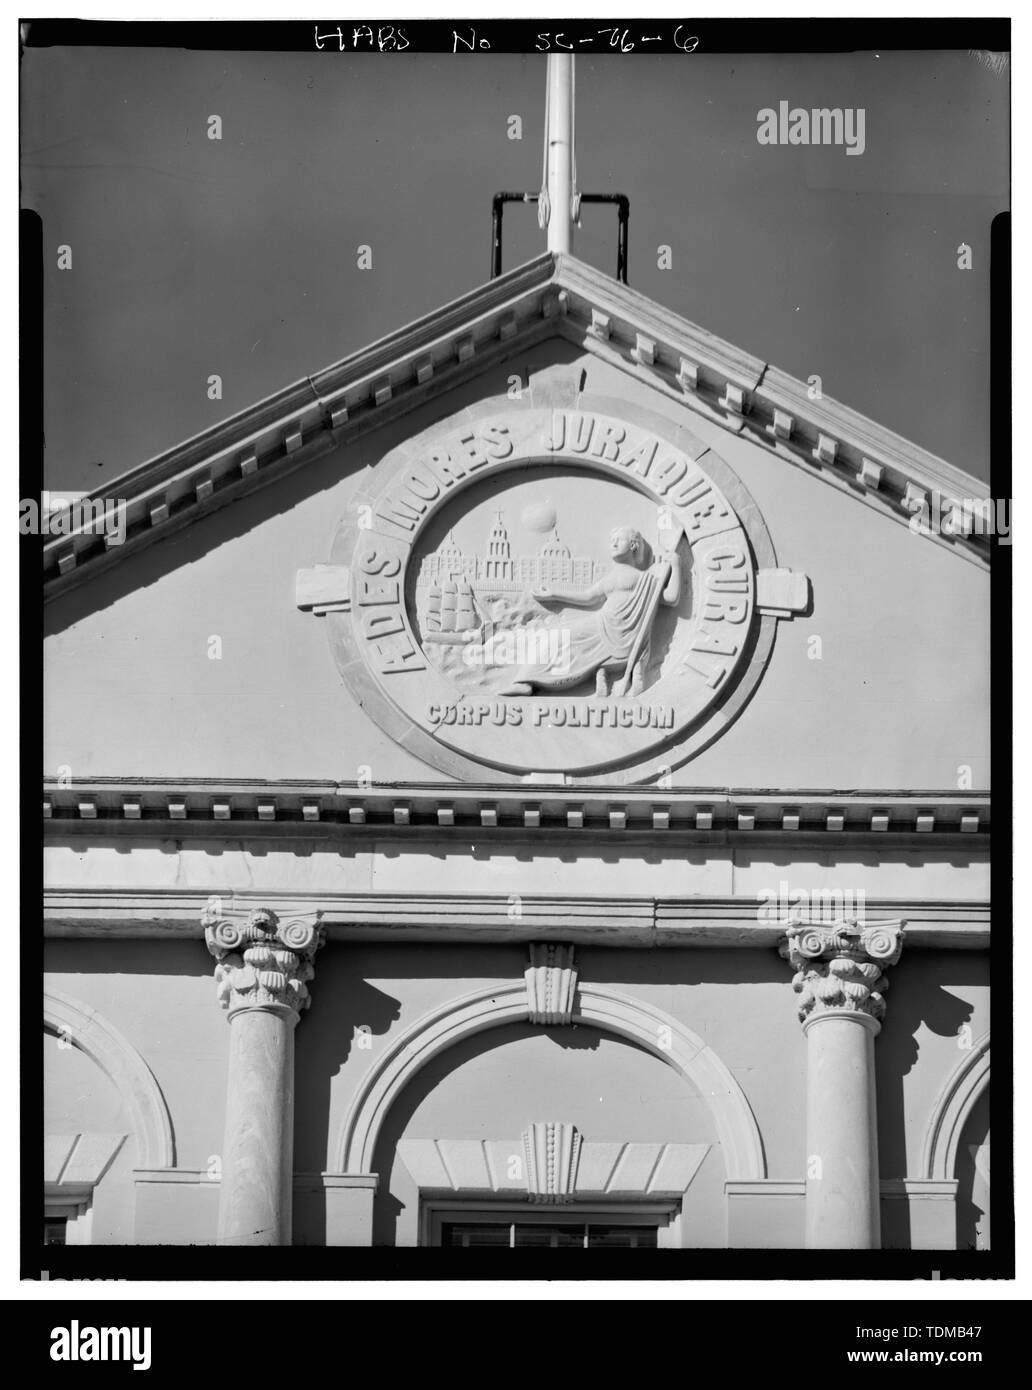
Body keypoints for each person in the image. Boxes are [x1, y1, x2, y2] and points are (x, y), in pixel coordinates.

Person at [497, 524, 683, 696]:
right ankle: (527, 681)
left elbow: (671, 598)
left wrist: (675, 566)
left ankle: (528, 681)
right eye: (612, 540)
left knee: (557, 636)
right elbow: (588, 597)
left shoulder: (646, 579)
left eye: (620, 539)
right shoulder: (612, 577)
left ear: (634, 545)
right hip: (602, 624)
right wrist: (554, 594)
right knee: (554, 636)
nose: (614, 543)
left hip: (621, 633)